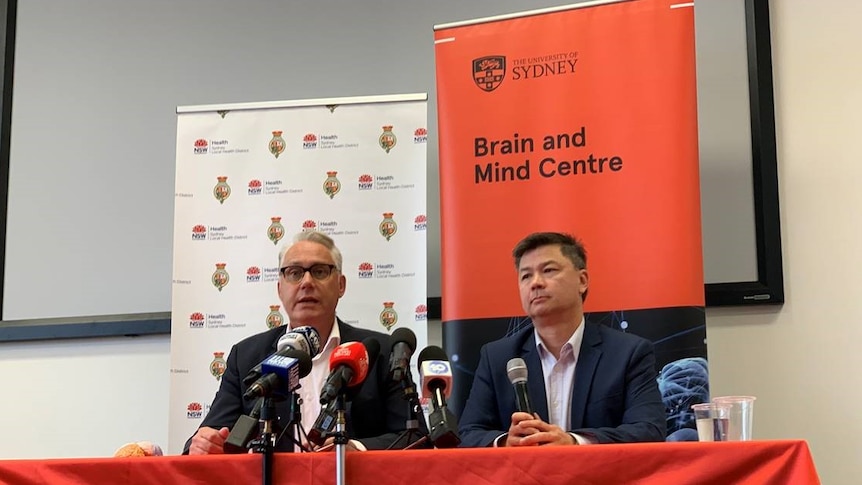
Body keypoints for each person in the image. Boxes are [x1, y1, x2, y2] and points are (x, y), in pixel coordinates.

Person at [185, 230, 418, 454]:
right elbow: (211, 434)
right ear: (280, 288)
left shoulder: (382, 351)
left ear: (341, 285)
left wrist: (356, 449)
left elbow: (415, 437)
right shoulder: (246, 356)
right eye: (295, 272)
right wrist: (205, 443)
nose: (306, 282)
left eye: (319, 271)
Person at [458, 232, 666, 447]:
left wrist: (574, 442)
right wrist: (505, 443)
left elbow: (649, 429)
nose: (536, 283)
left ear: (582, 280)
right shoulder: (497, 358)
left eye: (548, 270)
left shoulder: (628, 353)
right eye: (526, 276)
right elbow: (468, 433)